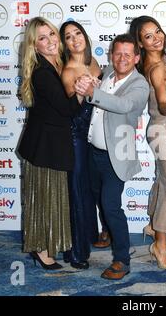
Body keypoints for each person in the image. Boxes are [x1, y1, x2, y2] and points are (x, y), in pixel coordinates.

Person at [74, 34, 149, 280]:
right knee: (96, 198)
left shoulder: (139, 84)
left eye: (128, 54)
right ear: (111, 55)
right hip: (93, 152)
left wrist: (92, 91)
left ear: (137, 57)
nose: (122, 58)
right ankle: (106, 230)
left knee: (110, 205)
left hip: (117, 156)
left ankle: (122, 260)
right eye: (118, 53)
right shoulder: (106, 74)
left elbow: (124, 105)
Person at [17, 17, 82, 269]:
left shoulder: (59, 65)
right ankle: (41, 250)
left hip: (51, 145)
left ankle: (45, 246)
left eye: (52, 35)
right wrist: (81, 89)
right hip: (43, 148)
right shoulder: (43, 72)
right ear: (35, 46)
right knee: (44, 199)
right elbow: (67, 110)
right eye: (42, 38)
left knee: (52, 197)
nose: (50, 41)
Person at [129, 16, 166, 269]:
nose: (156, 38)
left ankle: (152, 227)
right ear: (140, 43)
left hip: (163, 130)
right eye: (148, 36)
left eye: (158, 32)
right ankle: (160, 246)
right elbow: (163, 103)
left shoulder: (159, 62)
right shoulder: (159, 67)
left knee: (163, 182)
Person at [59, 21, 106, 269]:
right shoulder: (68, 71)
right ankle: (75, 252)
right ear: (64, 44)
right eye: (68, 37)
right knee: (76, 191)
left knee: (87, 189)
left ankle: (85, 241)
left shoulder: (93, 63)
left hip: (91, 136)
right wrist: (81, 93)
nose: (75, 39)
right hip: (75, 136)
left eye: (77, 33)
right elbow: (72, 110)